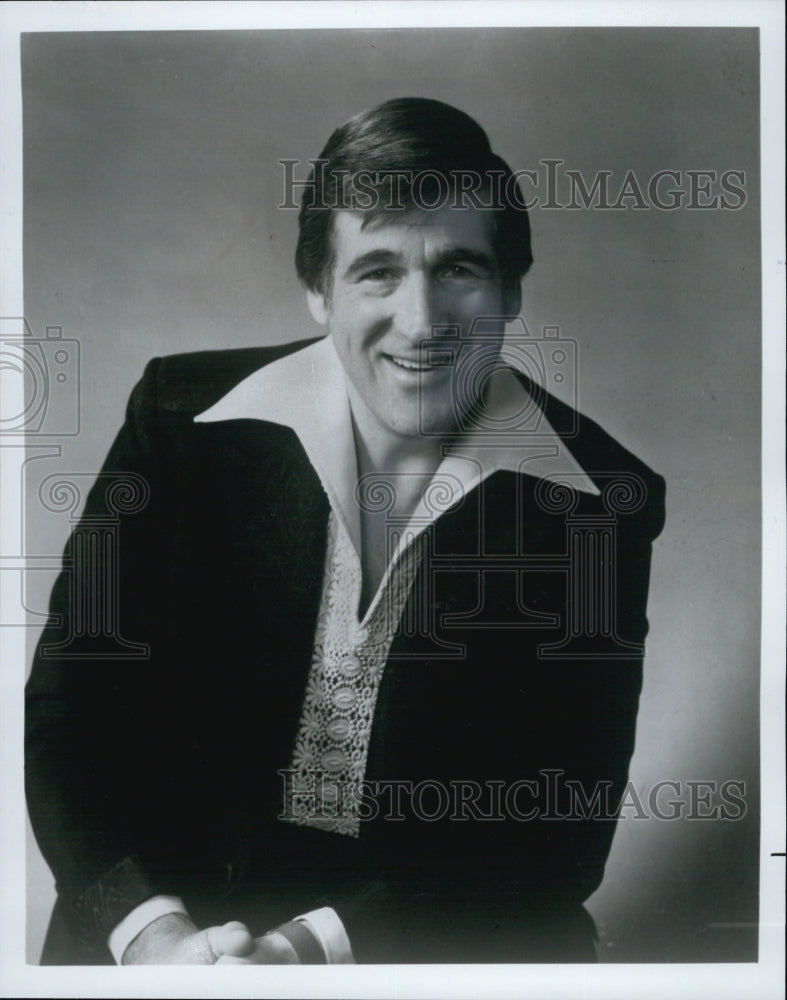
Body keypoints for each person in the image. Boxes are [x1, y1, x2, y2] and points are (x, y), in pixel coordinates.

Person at [25, 97, 665, 965]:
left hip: (421, 942)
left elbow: (555, 831)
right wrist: (153, 935)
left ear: (512, 287)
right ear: (318, 289)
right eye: (376, 272)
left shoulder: (598, 499)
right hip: (155, 929)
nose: (422, 320)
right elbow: (73, 716)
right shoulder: (175, 422)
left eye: (458, 269)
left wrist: (301, 953)